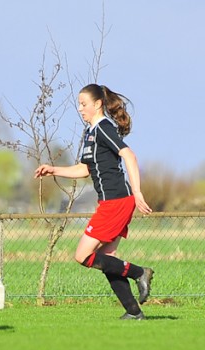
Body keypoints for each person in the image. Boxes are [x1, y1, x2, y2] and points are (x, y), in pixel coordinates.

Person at [34, 84, 154, 320]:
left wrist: (137, 191)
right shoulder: (90, 133)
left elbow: (129, 155)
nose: (80, 108)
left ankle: (140, 272)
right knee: (107, 259)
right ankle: (134, 312)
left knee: (83, 256)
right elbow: (84, 169)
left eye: (84, 104)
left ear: (98, 104)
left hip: (117, 201)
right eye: (79, 104)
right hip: (112, 201)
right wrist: (53, 170)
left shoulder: (103, 128)